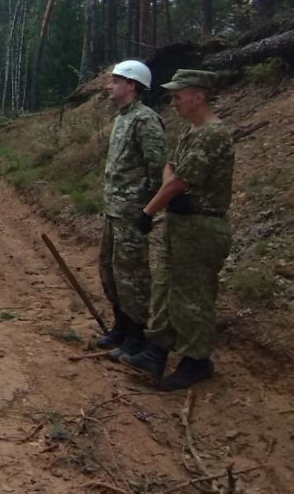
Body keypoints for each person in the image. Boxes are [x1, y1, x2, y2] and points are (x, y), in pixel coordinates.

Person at [122, 70, 233, 390]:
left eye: (179, 95)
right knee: (165, 288)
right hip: (181, 224)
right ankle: (156, 351)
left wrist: (148, 211)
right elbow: (169, 170)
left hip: (201, 226)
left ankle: (196, 360)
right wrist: (171, 184)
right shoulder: (191, 133)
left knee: (192, 295)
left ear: (199, 96)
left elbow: (178, 182)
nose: (174, 101)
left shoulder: (211, 134)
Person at [94, 60, 167, 361]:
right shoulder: (122, 118)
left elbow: (158, 167)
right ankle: (121, 327)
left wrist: (147, 210)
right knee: (109, 269)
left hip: (133, 212)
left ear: (132, 85)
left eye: (115, 81)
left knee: (132, 274)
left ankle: (137, 335)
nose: (109, 86)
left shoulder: (145, 120)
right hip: (114, 210)